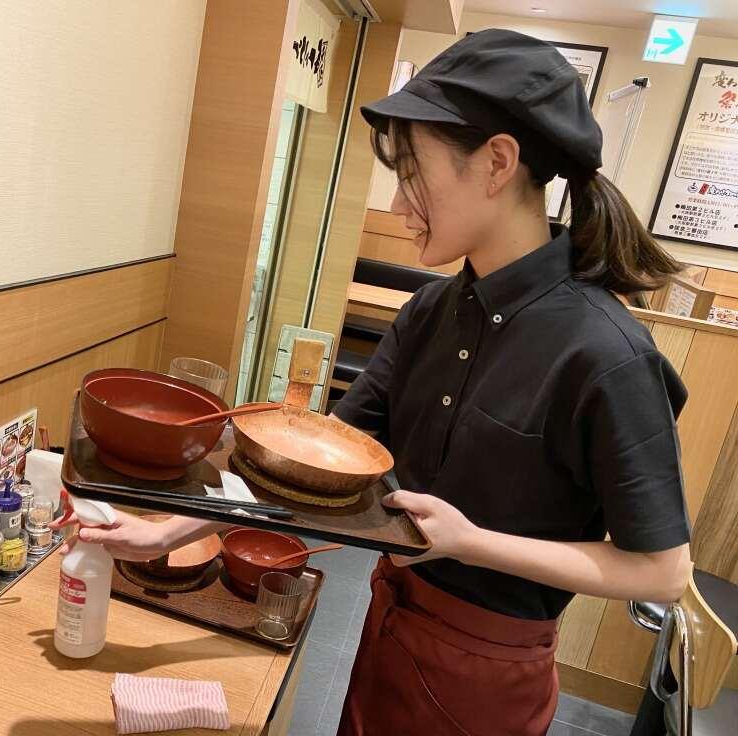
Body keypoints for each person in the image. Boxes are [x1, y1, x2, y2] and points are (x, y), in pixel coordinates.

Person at [55, 29, 692, 736]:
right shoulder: (433, 311)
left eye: (413, 172)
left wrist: (470, 541)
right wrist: (160, 531)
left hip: (491, 677)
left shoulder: (606, 352)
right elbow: (303, 470)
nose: (397, 204)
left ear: (497, 163)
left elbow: (661, 573)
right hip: (390, 624)